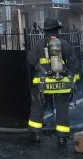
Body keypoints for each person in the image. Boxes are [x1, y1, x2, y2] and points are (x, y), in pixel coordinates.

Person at [27, 17, 80, 147]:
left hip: (43, 84)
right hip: (62, 84)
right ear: (57, 30)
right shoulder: (65, 44)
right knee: (62, 110)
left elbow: (30, 59)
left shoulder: (39, 44)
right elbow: (74, 65)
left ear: (46, 31)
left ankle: (36, 135)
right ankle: (62, 138)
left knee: (38, 107)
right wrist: (74, 81)